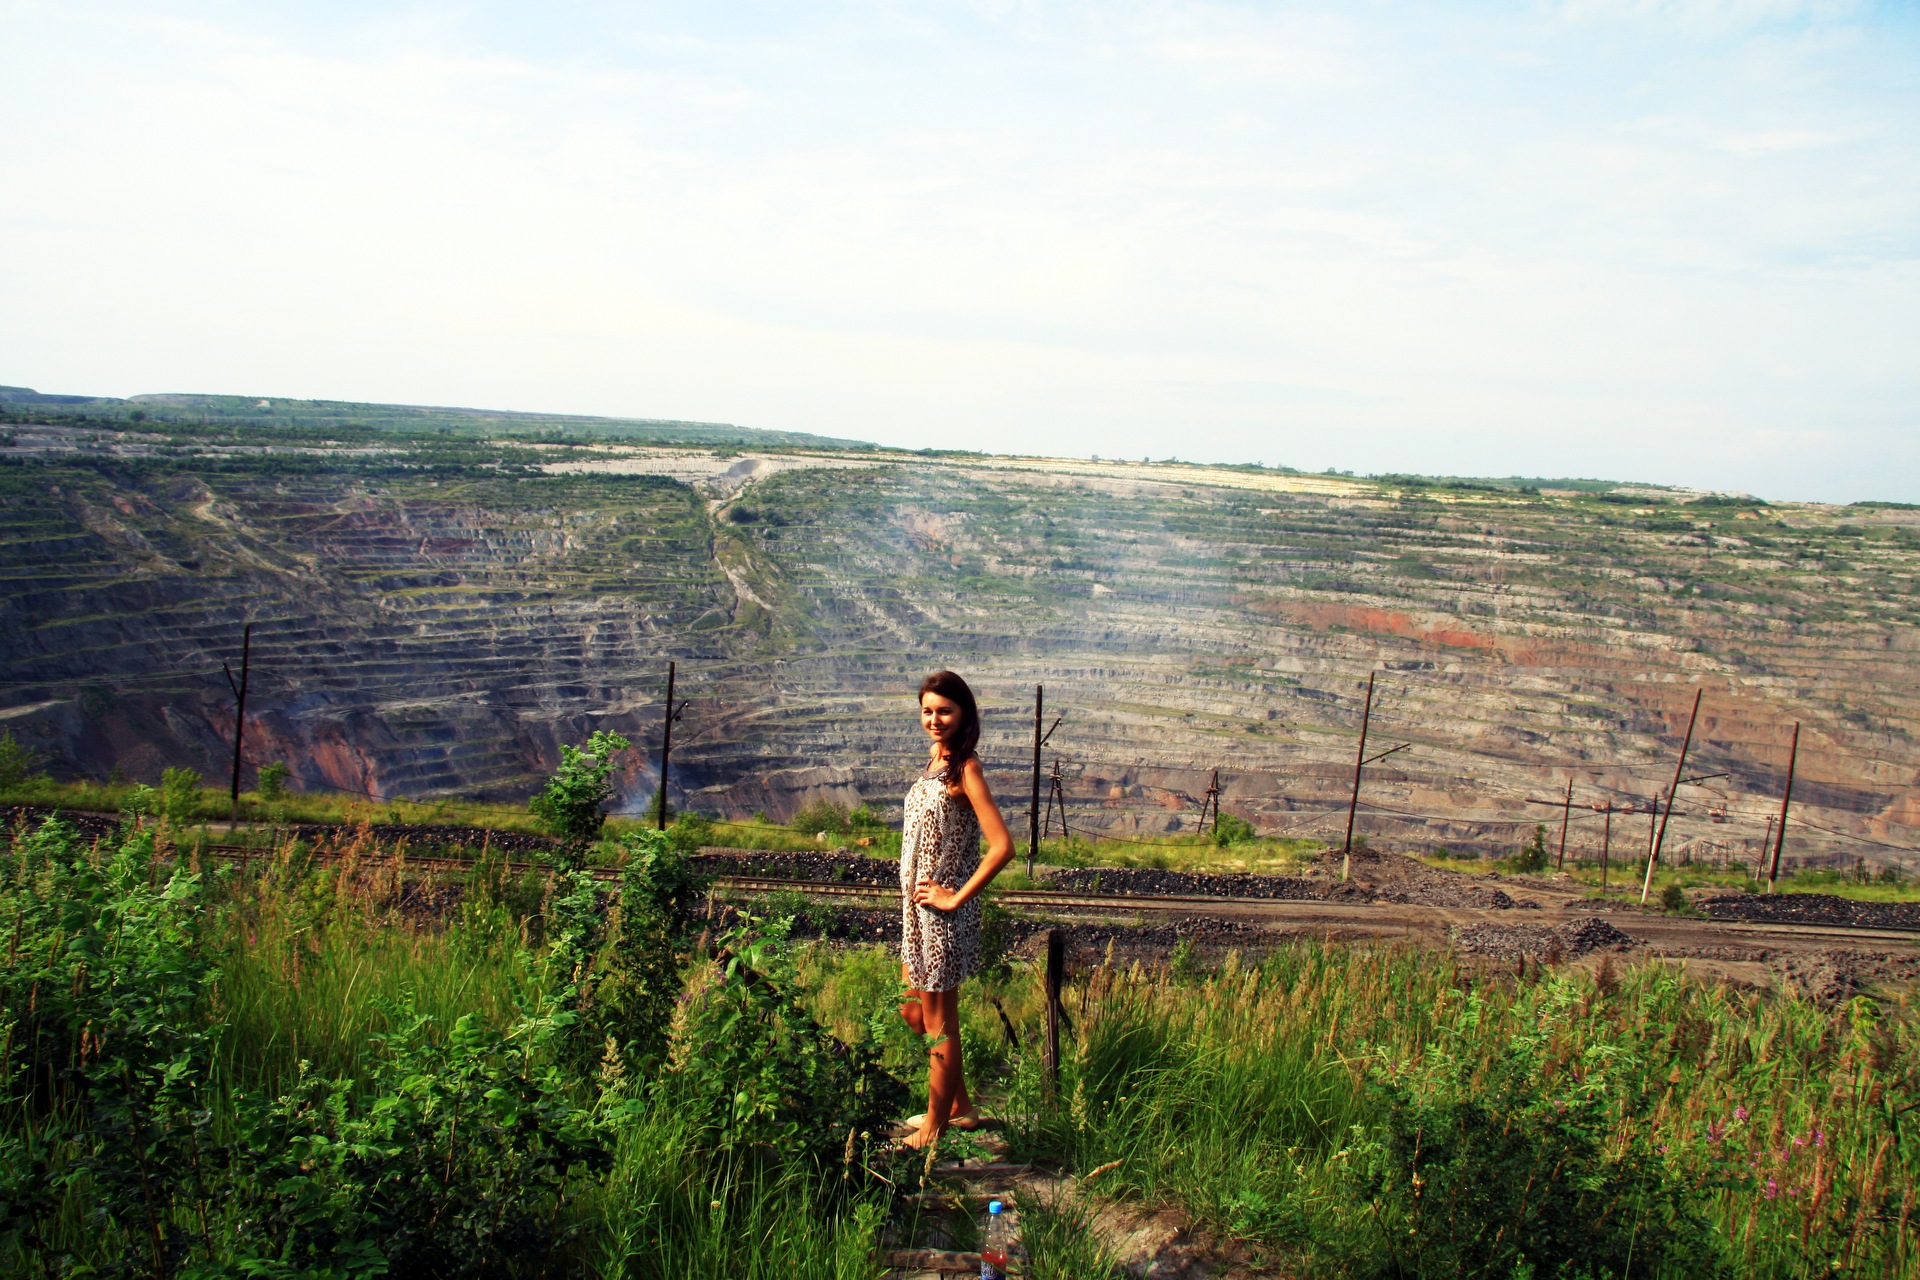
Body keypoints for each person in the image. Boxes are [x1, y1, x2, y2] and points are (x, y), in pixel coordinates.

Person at [897, 670, 1014, 1150]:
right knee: (913, 1012)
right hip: (915, 911)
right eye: (927, 710)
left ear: (963, 713)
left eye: (944, 710)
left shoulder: (966, 769)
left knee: (938, 1019)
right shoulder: (933, 762)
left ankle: (935, 1124)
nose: (934, 719)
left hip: (941, 916)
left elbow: (1002, 846)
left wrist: (954, 896)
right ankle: (961, 1107)